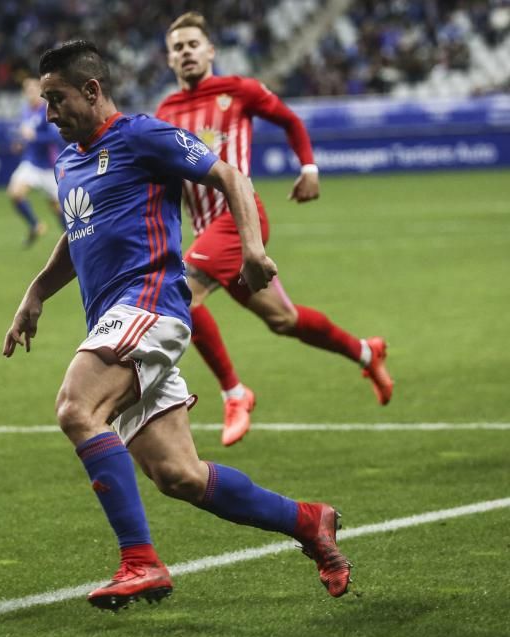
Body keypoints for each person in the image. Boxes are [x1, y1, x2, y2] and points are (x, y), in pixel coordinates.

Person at [4, 40, 352, 611]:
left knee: (76, 408)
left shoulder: (142, 135)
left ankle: (139, 561)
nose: (49, 113)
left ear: (92, 90)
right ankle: (311, 522)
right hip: (118, 319)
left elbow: (230, 177)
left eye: (57, 98)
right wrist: (35, 293)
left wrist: (253, 249)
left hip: (150, 306)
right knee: (180, 476)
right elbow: (77, 231)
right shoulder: (68, 162)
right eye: (44, 101)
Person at [156, 12, 393, 447]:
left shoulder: (238, 90)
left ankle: (234, 392)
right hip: (207, 233)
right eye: (177, 47)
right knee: (284, 320)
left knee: (181, 296)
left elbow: (289, 120)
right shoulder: (166, 111)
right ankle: (366, 351)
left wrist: (309, 167)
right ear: (169, 59)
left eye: (193, 44)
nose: (186, 52)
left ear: (210, 51)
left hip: (240, 218)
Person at [7, 77, 64, 247]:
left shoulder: (48, 111)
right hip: (31, 163)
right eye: (27, 90)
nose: (30, 93)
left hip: (49, 167)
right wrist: (21, 143)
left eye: (33, 89)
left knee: (59, 208)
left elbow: (57, 138)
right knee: (15, 193)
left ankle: (71, 241)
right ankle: (35, 225)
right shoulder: (26, 110)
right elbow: (27, 135)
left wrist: (35, 137)